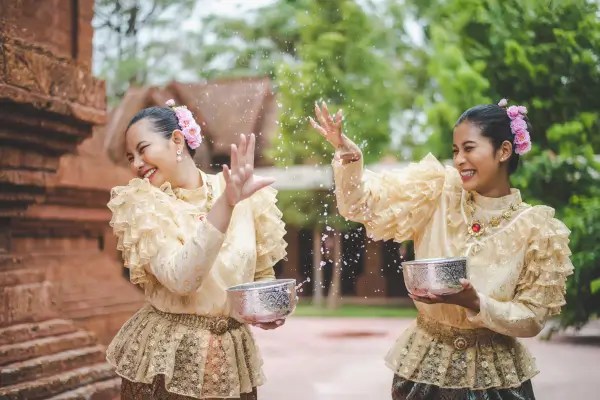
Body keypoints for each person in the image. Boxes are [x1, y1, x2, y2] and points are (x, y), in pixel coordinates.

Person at [310, 99, 573, 399]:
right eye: (455, 150)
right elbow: (360, 206)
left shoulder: (538, 229)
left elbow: (532, 318)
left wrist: (477, 303)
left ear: (503, 151)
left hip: (496, 381)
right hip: (424, 369)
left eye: (469, 148)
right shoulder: (437, 191)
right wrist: (348, 155)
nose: (459, 160)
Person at [106, 100, 287, 399]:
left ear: (177, 140)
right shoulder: (143, 206)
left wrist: (266, 310)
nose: (136, 163)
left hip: (232, 361)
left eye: (142, 149)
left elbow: (260, 275)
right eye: (130, 157)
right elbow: (181, 279)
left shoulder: (242, 192)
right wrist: (226, 205)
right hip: (167, 361)